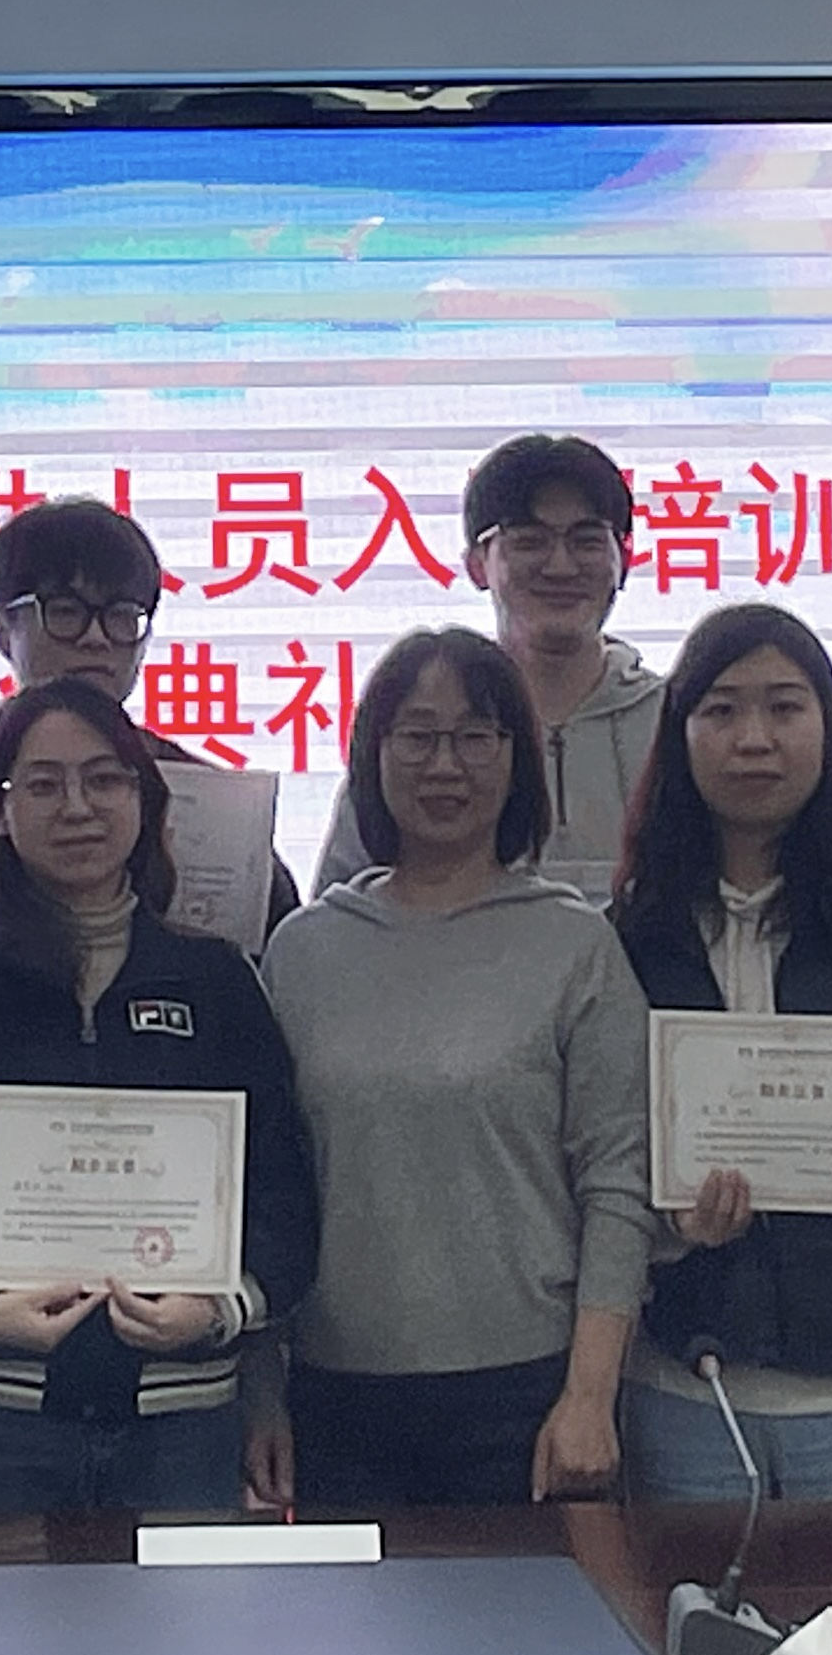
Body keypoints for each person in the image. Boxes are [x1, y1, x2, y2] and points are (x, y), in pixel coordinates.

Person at [0, 680, 318, 1513]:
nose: (78, 806)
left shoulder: (218, 983)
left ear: (145, 798)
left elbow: (284, 1200)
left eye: (105, 778)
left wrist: (217, 1308)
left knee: (181, 1610)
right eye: (43, 783)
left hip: (183, 1424)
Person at [257, 627, 654, 1507]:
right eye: (418, 735)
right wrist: (260, 1390)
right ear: (373, 753)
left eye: (476, 735)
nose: (446, 764)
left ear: (517, 758)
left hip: (527, 1391)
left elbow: (618, 1184)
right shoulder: (304, 950)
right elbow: (265, 1185)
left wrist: (591, 1396)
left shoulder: (575, 943)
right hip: (335, 1394)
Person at [608, 604, 832, 1502]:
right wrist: (668, 1229)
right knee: (683, 1603)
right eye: (721, 710)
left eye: (784, 707)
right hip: (683, 1385)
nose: (754, 739)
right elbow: (599, 1150)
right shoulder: (628, 936)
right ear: (680, 733)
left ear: (829, 728)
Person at [0, 497, 298, 957]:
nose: (96, 638)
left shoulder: (210, 799)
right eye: (66, 612)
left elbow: (278, 953)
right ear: (3, 628)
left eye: (121, 615)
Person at [314, 436, 661, 904]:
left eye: (587, 541)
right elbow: (339, 911)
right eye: (529, 542)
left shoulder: (677, 721)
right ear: (477, 566)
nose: (561, 567)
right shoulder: (421, 728)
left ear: (625, 560)